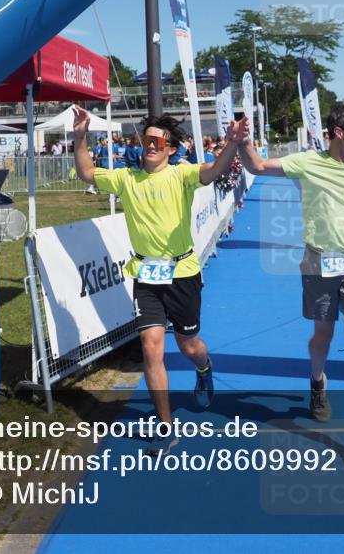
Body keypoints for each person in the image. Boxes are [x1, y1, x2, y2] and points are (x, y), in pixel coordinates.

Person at [72, 106, 247, 454]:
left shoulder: (181, 175)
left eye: (158, 141)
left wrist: (231, 143)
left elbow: (212, 171)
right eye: (147, 139)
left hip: (182, 273)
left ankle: (204, 366)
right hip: (146, 276)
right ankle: (167, 427)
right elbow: (87, 173)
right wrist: (79, 137)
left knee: (188, 345)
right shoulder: (126, 178)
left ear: (170, 149)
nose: (151, 145)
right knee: (152, 348)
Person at [237, 104, 344, 452]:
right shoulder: (307, 162)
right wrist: (241, 142)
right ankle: (318, 383)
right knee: (323, 336)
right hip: (319, 263)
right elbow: (256, 166)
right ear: (337, 132)